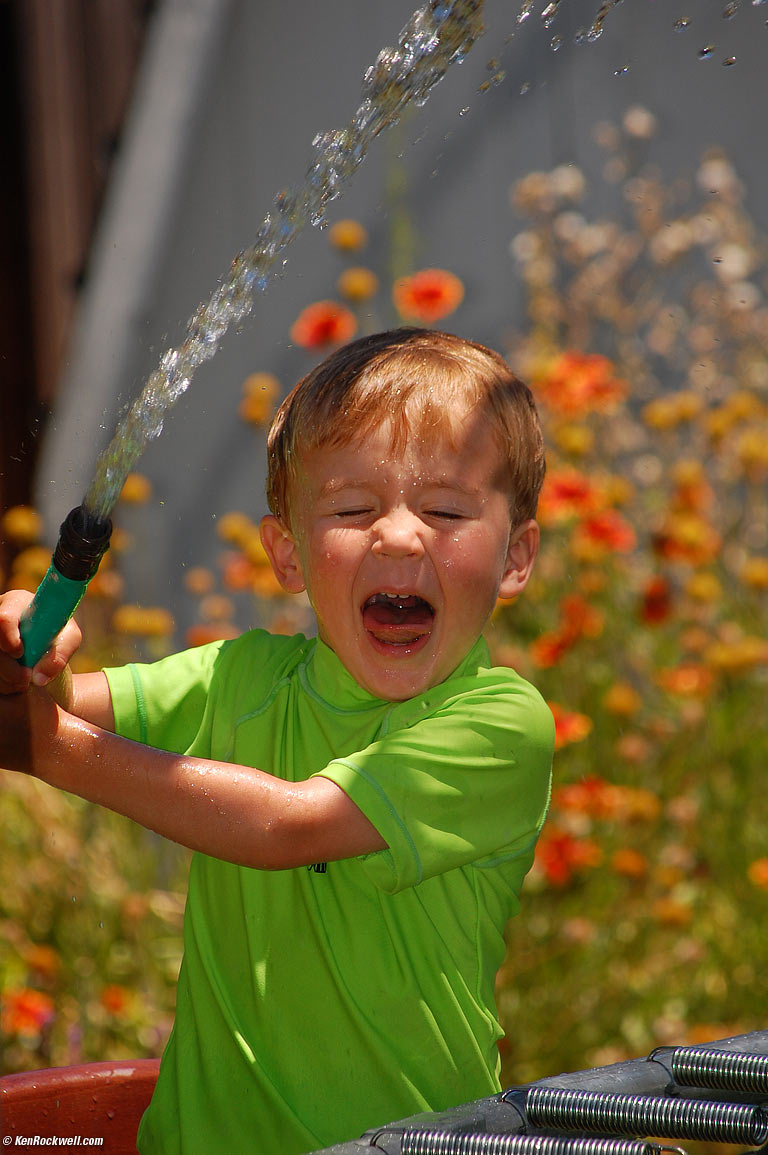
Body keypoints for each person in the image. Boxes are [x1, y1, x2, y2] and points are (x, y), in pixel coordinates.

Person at [0, 327, 554, 1155]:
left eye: (444, 510)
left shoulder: (500, 723)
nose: (399, 536)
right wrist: (31, 649)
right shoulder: (240, 676)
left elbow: (289, 825)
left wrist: (43, 746)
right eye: (353, 509)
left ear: (516, 556)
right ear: (288, 553)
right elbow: (66, 709)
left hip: (406, 1146)